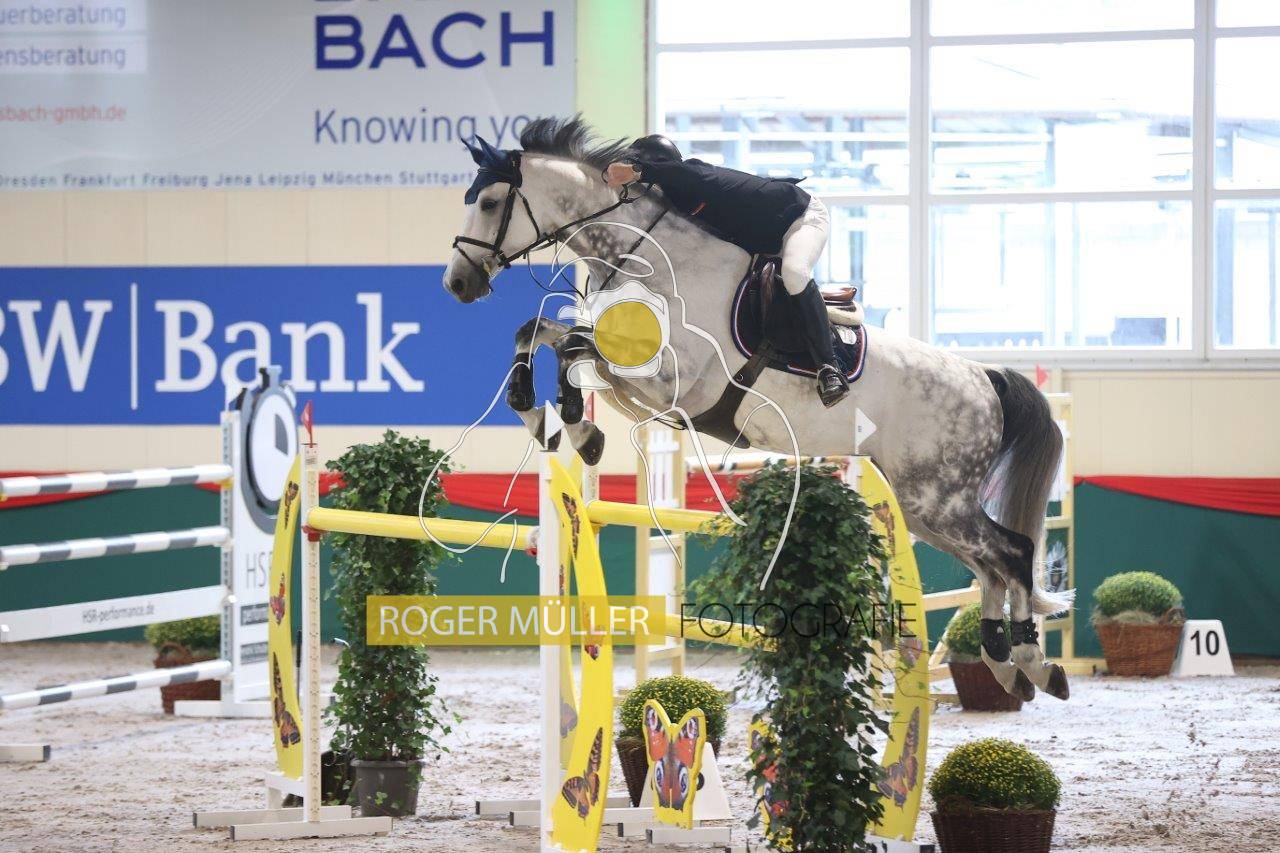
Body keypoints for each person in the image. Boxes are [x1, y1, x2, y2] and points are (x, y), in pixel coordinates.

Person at [604, 134, 848, 407]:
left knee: (794, 273)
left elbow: (677, 173)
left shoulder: (695, 176)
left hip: (801, 217)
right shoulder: (677, 203)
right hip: (763, 240)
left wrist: (637, 171)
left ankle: (829, 368)